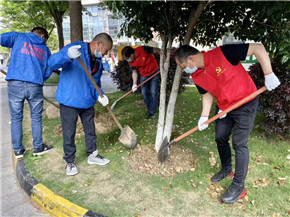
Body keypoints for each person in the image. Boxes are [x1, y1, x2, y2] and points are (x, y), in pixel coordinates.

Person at [175, 43, 280, 203]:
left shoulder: (223, 53)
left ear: (190, 59)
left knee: (239, 143)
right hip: (224, 108)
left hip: (246, 103)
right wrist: (204, 116)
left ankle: (239, 186)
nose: (184, 70)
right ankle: (226, 169)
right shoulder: (196, 75)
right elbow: (208, 93)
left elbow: (258, 48)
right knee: (220, 137)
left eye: (183, 66)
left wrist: (269, 74)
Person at [48, 33, 112, 176]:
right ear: (98, 44)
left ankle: (92, 155)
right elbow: (52, 62)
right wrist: (67, 56)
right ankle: (69, 161)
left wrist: (100, 95)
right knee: (69, 132)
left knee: (90, 130)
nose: (106, 54)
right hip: (70, 99)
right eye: (106, 50)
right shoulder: (75, 49)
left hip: (87, 101)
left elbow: (95, 83)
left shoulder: (98, 62)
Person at [0, 27, 54, 159]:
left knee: (16, 118)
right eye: (45, 40)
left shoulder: (17, 36)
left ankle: (18, 150)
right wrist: (40, 79)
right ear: (42, 36)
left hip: (15, 83)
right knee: (36, 117)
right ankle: (38, 147)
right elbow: (48, 69)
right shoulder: (45, 50)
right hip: (35, 84)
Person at [121, 46, 160, 119]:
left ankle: (152, 112)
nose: (128, 60)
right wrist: (134, 84)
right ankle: (150, 109)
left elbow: (157, 50)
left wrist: (164, 59)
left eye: (128, 58)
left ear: (132, 54)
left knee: (154, 92)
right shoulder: (130, 61)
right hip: (144, 75)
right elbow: (134, 72)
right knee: (144, 94)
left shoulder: (143, 50)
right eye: (126, 59)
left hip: (154, 73)